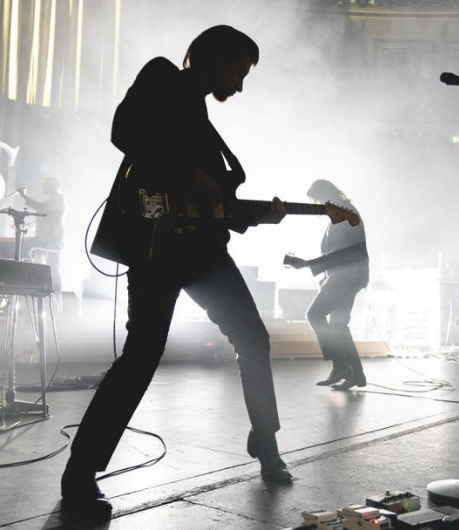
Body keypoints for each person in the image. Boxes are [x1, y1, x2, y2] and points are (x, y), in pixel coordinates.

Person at [61, 26, 291, 515]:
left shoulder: (203, 120)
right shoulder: (163, 76)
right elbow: (124, 131)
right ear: (217, 57)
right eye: (239, 70)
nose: (241, 84)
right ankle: (79, 474)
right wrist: (189, 175)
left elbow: (209, 205)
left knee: (254, 340)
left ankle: (265, 444)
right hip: (157, 247)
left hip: (202, 251)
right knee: (142, 356)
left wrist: (256, 215)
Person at [287, 179, 369, 390]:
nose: (317, 205)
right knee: (339, 326)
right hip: (348, 276)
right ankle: (355, 373)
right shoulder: (341, 212)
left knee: (314, 314)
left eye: (318, 199)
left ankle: (341, 366)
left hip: (347, 277)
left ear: (326, 194)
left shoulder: (344, 213)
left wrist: (309, 264)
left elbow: (345, 252)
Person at [16, 174, 66, 308]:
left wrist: (24, 196)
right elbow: (41, 218)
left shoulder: (58, 199)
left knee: (53, 269)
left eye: (46, 184)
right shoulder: (51, 200)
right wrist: (27, 226)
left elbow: (42, 208)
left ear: (53, 185)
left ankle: (56, 303)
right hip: (43, 240)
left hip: (53, 241)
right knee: (36, 263)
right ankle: (36, 298)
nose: (43, 186)